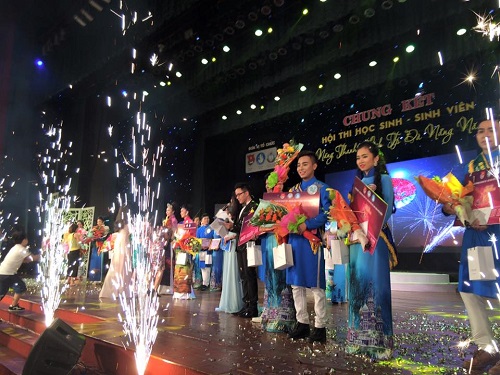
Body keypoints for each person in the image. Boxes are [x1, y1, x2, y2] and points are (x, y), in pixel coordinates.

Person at [443, 118, 500, 373]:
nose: (485, 134)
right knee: (471, 288)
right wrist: (451, 205)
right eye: (480, 130)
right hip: (478, 238)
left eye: (492, 129)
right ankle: (487, 347)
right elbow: (446, 199)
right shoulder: (467, 167)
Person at [346, 141, 395, 359]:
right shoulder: (357, 183)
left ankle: (381, 344)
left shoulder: (383, 179)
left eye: (365, 156)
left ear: (376, 159)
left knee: (378, 287)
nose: (361, 161)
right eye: (358, 157)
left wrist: (370, 231)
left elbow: (387, 210)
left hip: (376, 240)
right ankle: (357, 340)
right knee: (358, 286)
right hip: (358, 242)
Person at [286, 150, 331, 343]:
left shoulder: (324, 189)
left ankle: (320, 327)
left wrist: (307, 225)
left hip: (312, 241)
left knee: (316, 285)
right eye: (298, 165)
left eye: (305, 164)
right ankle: (302, 323)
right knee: (296, 284)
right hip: (295, 240)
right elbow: (284, 212)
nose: (301, 168)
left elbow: (327, 213)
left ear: (314, 166)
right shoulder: (292, 190)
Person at [225, 183, 259, 318]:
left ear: (246, 193)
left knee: (249, 276)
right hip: (241, 246)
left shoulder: (254, 206)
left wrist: (232, 226)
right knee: (243, 277)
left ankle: (253, 307)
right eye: (236, 195)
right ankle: (246, 305)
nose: (237, 197)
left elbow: (248, 227)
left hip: (249, 246)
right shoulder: (243, 208)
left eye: (239, 194)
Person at [216, 196, 244, 313]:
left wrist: (231, 235)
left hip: (234, 243)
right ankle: (226, 301)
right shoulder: (226, 215)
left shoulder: (239, 215)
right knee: (227, 272)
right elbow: (218, 220)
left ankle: (235, 302)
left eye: (233, 201)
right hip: (227, 245)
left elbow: (241, 230)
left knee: (233, 272)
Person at [0, 230, 41, 311]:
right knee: (21, 286)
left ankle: (14, 305)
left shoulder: (15, 248)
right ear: (24, 240)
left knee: (2, 292)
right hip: (8, 274)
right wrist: (43, 252)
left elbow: (25, 259)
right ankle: (13, 305)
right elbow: (34, 258)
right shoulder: (22, 249)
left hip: (3, 272)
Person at [99, 207, 132, 299]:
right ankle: (121, 289)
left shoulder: (119, 223)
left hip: (119, 242)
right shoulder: (128, 223)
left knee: (116, 266)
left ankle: (115, 289)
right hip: (124, 243)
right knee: (123, 265)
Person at [196, 213, 214, 291]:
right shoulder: (199, 229)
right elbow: (197, 239)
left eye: (207, 218)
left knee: (207, 267)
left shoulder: (211, 228)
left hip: (208, 251)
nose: (206, 220)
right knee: (202, 267)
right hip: (201, 251)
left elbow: (213, 239)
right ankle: (204, 283)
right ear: (201, 221)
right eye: (205, 218)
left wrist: (210, 245)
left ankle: (206, 283)